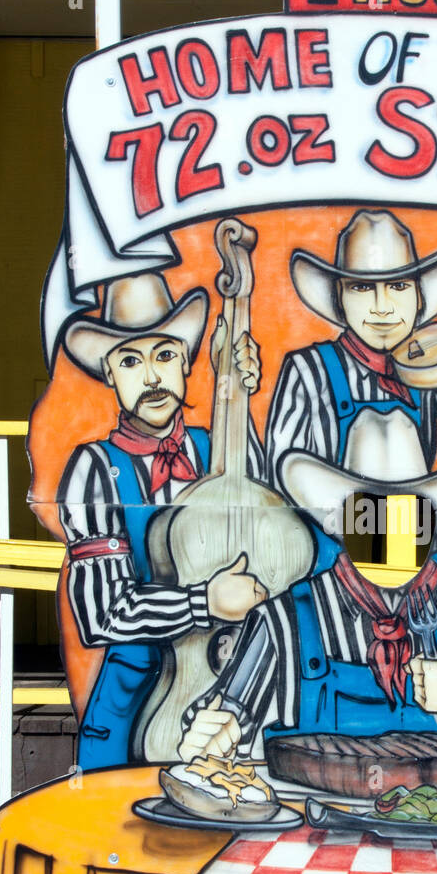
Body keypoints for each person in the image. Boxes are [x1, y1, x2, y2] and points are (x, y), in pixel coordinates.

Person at [179, 417, 437, 767]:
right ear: (340, 523)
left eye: (408, 518)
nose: (389, 537)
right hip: (319, 835)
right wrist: (209, 733)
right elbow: (221, 715)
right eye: (369, 517)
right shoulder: (283, 621)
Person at [57, 271, 268, 771]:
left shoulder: (216, 445)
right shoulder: (95, 469)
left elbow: (269, 540)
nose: (151, 378)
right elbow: (101, 614)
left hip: (224, 707)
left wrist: (239, 401)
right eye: (130, 361)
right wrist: (204, 602)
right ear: (108, 374)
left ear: (187, 360)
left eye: (165, 355)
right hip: (133, 713)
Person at [264, 209, 437, 501]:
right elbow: (280, 482)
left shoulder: (425, 368)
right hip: (332, 538)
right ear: (340, 298)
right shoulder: (308, 369)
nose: (382, 307)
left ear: (418, 297)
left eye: (399, 286)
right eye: (361, 287)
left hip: (413, 537)